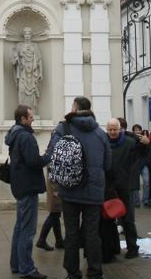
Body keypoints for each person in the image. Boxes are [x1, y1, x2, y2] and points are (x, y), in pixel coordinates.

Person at [45, 96, 111, 279]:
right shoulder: (100, 133)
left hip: (69, 189)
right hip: (94, 190)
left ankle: (73, 273)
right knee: (92, 233)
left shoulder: (63, 128)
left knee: (71, 233)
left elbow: (52, 155)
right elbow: (108, 164)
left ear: (75, 108)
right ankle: (95, 272)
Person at [5, 105, 49, 279]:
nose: (32, 119)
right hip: (28, 186)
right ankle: (27, 269)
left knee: (20, 227)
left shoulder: (14, 135)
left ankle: (17, 264)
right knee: (27, 230)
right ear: (22, 119)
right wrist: (47, 156)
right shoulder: (25, 136)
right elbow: (33, 162)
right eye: (30, 117)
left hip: (20, 185)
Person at [102, 118, 139, 262]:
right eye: (109, 129)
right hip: (108, 185)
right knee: (108, 218)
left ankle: (132, 247)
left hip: (124, 185)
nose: (112, 132)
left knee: (128, 218)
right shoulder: (103, 142)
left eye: (114, 129)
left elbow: (137, 160)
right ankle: (112, 248)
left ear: (120, 129)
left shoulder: (129, 143)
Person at [36, 172, 64, 251]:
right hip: (55, 189)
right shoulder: (53, 159)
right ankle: (42, 239)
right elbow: (53, 170)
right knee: (54, 215)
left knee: (56, 214)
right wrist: (55, 189)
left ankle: (59, 240)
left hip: (55, 187)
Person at [131, 124, 151, 208]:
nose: (137, 131)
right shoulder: (132, 139)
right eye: (135, 130)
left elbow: (148, 151)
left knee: (146, 182)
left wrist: (146, 142)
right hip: (135, 164)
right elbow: (133, 150)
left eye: (139, 129)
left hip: (144, 163)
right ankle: (136, 201)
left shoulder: (145, 139)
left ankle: (145, 200)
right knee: (135, 183)